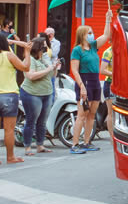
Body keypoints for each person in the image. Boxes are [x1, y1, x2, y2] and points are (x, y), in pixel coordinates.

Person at [69, 10, 112, 154]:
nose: (92, 35)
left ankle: (86, 142)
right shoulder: (77, 50)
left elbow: (106, 35)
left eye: (92, 32)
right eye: (89, 33)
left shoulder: (93, 46)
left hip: (95, 81)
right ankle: (75, 144)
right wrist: (81, 86)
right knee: (82, 114)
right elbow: (74, 70)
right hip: (85, 81)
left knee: (92, 114)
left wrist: (107, 19)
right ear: (82, 35)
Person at [0, 33, 30, 167]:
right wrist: (27, 53)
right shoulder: (8, 55)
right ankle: (10, 157)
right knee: (9, 130)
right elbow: (25, 67)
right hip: (8, 96)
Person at [20, 37, 60, 155]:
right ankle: (27, 147)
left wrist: (54, 68)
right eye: (44, 46)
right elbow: (31, 76)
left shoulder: (44, 58)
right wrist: (49, 69)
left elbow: (52, 75)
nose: (46, 48)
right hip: (32, 93)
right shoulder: (30, 59)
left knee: (42, 121)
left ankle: (40, 145)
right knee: (31, 120)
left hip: (47, 93)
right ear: (38, 47)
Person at [99, 45, 114, 135]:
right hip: (110, 84)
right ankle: (112, 138)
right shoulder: (108, 52)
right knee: (111, 112)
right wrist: (116, 74)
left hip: (122, 85)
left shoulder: (123, 50)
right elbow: (102, 70)